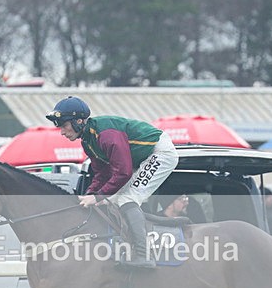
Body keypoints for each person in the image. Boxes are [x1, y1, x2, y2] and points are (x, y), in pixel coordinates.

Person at [46, 96, 179, 269]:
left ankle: (143, 255)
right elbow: (102, 174)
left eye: (64, 126)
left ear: (79, 121)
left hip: (161, 153)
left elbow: (123, 173)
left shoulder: (106, 135)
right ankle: (126, 247)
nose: (62, 132)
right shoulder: (88, 141)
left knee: (127, 199)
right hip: (144, 157)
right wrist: (87, 197)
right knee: (113, 200)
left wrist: (97, 197)